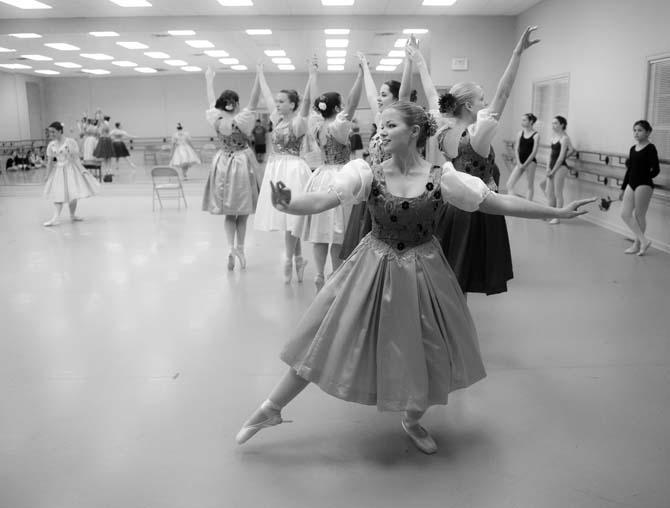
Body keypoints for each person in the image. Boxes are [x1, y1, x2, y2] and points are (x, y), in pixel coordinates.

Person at [235, 102, 594, 454]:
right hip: (371, 268)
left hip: (424, 272)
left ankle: (412, 418)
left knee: (428, 349)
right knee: (328, 334)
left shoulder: (444, 178)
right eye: (380, 125)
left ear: (415, 132)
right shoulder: (365, 172)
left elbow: (495, 202)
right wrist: (289, 204)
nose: (382, 132)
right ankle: (272, 408)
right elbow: (325, 199)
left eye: (390, 125)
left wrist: (556, 211)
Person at [434, 26, 540, 296]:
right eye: (482, 99)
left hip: (450, 209)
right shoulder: (477, 135)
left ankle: (450, 326)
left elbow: (428, 88)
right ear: (468, 105)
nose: (486, 103)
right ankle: (458, 330)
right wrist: (517, 54)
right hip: (478, 211)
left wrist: (419, 62)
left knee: (452, 273)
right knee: (464, 277)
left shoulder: (444, 130)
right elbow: (504, 94)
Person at [338, 49, 414, 260]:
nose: (379, 99)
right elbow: (371, 94)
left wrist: (409, 62)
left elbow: (405, 94)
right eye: (379, 95)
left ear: (395, 98)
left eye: (384, 95)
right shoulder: (381, 118)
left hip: (394, 187)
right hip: (374, 185)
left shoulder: (403, 120)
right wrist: (365, 67)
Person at [300, 62, 364, 291]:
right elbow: (354, 101)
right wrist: (361, 74)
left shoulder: (316, 125)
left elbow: (315, 102)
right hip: (341, 176)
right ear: (338, 109)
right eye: (342, 105)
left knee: (319, 231)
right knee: (338, 231)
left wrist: (313, 75)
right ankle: (336, 275)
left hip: (321, 176)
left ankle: (318, 273)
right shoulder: (339, 126)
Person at [254, 62, 315, 284]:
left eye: (282, 101)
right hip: (276, 169)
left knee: (292, 218)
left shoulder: (299, 123)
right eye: (277, 101)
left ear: (292, 104)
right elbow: (268, 96)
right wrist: (260, 74)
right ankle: (298, 259)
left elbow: (307, 102)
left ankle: (290, 259)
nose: (277, 104)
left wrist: (311, 77)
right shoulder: (277, 119)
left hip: (292, 170)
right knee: (289, 221)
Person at [202, 67, 262, 270]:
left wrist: (209, 79)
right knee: (242, 212)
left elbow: (211, 100)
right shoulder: (242, 119)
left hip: (223, 162)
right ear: (235, 103)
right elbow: (253, 101)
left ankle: (230, 248)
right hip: (241, 162)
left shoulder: (216, 119)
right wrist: (258, 76)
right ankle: (241, 248)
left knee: (229, 212)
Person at [42, 121, 100, 227]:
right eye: (50, 132)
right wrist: (47, 175)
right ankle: (55, 218)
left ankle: (72, 215)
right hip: (58, 171)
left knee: (73, 194)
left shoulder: (70, 142)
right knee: (58, 194)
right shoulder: (51, 145)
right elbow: (49, 162)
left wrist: (82, 170)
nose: (51, 134)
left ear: (60, 131)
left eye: (53, 132)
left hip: (71, 170)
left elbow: (76, 158)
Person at [620, 120, 660, 256]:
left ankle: (637, 244)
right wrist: (622, 188)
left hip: (644, 185)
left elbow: (656, 169)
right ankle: (644, 241)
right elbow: (629, 170)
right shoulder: (632, 148)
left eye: (640, 130)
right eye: (635, 130)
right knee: (625, 213)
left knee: (639, 215)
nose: (636, 133)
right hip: (631, 183)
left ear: (648, 132)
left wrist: (645, 176)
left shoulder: (651, 148)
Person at [543, 115, 575, 225]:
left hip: (561, 168)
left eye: (555, 123)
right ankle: (550, 214)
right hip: (552, 167)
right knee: (548, 192)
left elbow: (561, 157)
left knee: (558, 193)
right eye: (552, 123)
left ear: (562, 125)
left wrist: (553, 170)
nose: (553, 125)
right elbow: (550, 155)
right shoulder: (553, 138)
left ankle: (558, 217)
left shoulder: (564, 138)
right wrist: (548, 168)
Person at [506, 113, 540, 200]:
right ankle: (513, 204)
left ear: (531, 121)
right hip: (519, 162)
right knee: (509, 184)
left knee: (529, 185)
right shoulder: (520, 133)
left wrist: (525, 164)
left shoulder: (536, 135)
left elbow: (534, 152)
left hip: (530, 162)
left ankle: (528, 206)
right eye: (522, 120)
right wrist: (519, 162)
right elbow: (516, 149)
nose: (522, 122)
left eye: (524, 120)